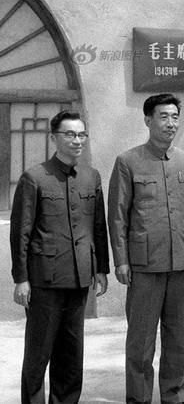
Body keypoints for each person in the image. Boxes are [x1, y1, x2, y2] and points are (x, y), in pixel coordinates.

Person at [108, 93, 184, 402]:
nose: (170, 123)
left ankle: (174, 396)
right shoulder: (128, 161)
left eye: (175, 117)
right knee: (141, 340)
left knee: (177, 336)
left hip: (182, 261)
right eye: (163, 116)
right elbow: (117, 215)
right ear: (148, 121)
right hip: (145, 265)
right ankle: (139, 398)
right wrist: (121, 260)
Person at [10, 110, 109, 403]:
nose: (77, 140)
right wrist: (21, 279)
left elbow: (98, 226)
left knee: (71, 354)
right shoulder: (34, 177)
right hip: (45, 281)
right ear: (54, 138)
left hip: (79, 277)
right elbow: (21, 232)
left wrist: (101, 269)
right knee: (39, 352)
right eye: (70, 134)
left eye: (81, 134)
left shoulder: (91, 177)